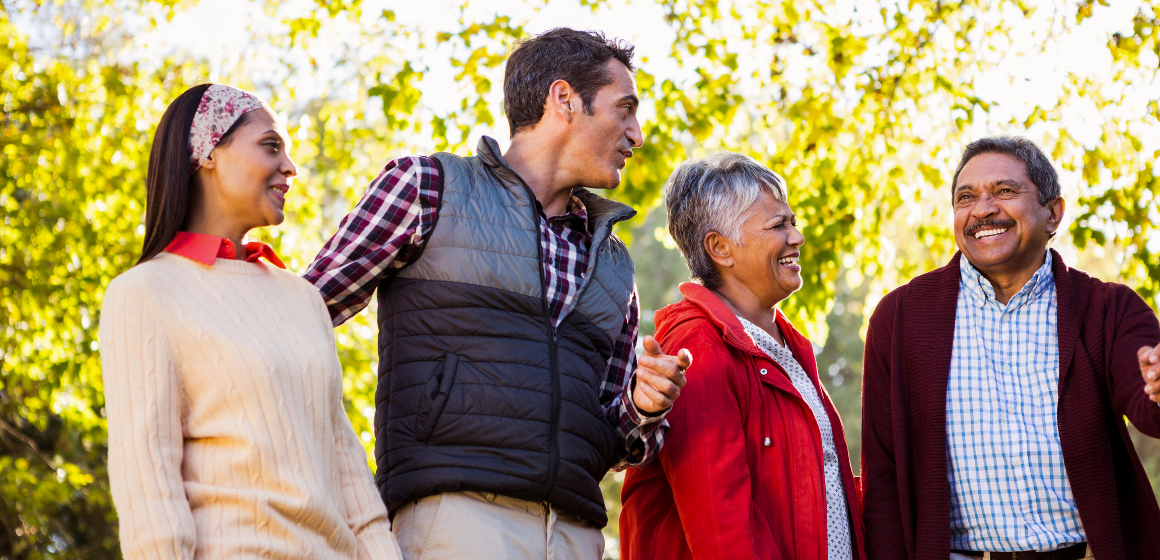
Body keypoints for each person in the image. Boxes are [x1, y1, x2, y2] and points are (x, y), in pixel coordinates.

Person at [303, 28, 691, 560]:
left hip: (577, 535)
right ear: (564, 100)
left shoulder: (614, 262)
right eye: (623, 109)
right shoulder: (427, 188)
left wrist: (643, 406)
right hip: (455, 518)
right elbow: (300, 314)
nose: (637, 134)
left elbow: (614, 431)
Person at [100, 84, 402, 560]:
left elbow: (352, 483)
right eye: (270, 146)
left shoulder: (302, 298)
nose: (290, 168)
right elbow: (149, 488)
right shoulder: (143, 293)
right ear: (208, 153)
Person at [861, 136, 1160, 560]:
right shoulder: (900, 317)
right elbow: (884, 477)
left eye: (1004, 191)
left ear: (1053, 213)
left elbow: (1150, 407)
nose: (982, 209)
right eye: (966, 197)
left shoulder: (1108, 308)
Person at [619, 152, 866, 560]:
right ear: (720, 248)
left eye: (793, 221)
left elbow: (820, 494)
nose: (797, 237)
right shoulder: (698, 349)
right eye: (778, 225)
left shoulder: (785, 349)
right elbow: (723, 535)